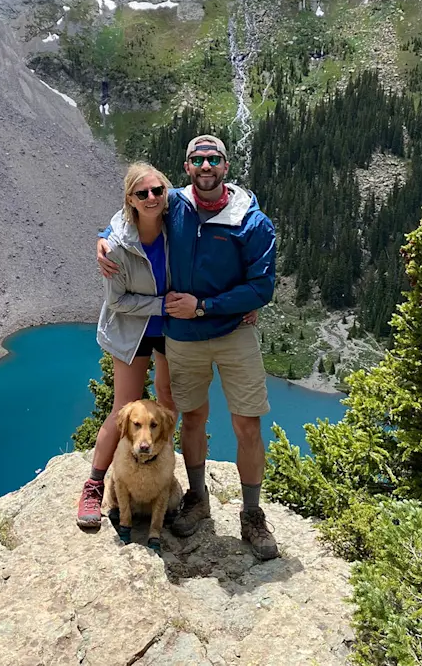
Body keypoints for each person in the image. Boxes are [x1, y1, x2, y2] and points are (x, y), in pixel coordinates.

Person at [97, 135, 279, 560]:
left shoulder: (252, 221)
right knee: (192, 419)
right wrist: (103, 238)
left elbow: (262, 287)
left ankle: (252, 515)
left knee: (247, 424)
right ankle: (197, 498)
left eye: (214, 159)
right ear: (187, 167)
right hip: (185, 339)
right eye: (198, 160)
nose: (206, 166)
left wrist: (204, 307)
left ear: (226, 166)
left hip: (232, 332)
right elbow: (132, 211)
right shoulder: (174, 202)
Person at [76, 162, 177, 529]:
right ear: (129, 200)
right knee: (123, 407)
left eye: (157, 191)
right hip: (131, 328)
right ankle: (94, 485)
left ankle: (160, 474)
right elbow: (117, 301)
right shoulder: (117, 244)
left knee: (166, 403)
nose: (151, 198)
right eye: (141, 194)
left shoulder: (175, 215)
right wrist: (163, 304)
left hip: (169, 328)